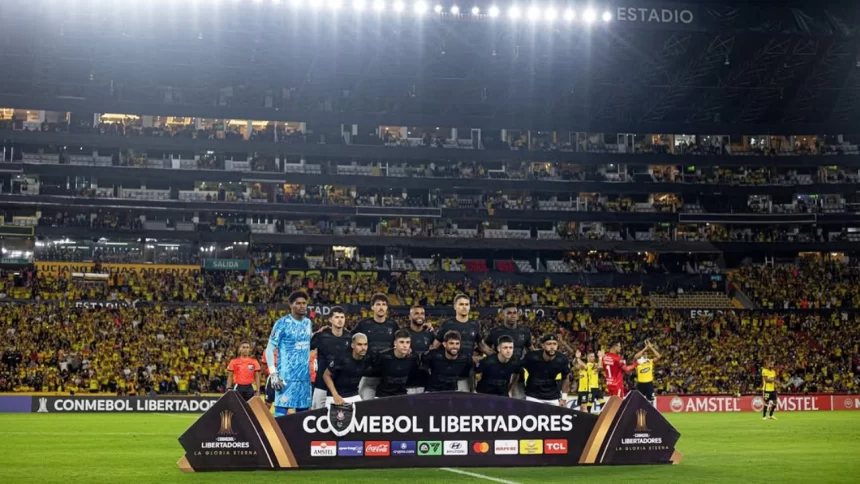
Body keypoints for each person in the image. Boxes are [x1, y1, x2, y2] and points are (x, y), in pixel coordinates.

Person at [265, 291, 313, 416]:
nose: (302, 306)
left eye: (304, 303)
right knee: (281, 415)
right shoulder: (282, 323)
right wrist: (273, 373)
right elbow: (270, 349)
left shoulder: (308, 323)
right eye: (298, 303)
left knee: (303, 416)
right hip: (286, 378)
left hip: (304, 378)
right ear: (291, 305)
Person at [431, 294, 490, 392]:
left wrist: (496, 355)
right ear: (455, 306)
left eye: (467, 304)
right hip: (448, 374)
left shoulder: (475, 324)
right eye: (461, 304)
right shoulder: (447, 324)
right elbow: (435, 347)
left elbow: (482, 345)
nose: (464, 307)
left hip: (467, 374)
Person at [354, 294, 399, 400]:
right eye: (378, 304)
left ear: (387, 307)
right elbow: (350, 339)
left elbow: (403, 340)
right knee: (366, 408)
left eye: (384, 304)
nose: (381, 307)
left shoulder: (393, 325)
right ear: (372, 307)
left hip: (387, 376)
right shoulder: (363, 324)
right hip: (368, 375)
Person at [484, 303, 532, 398]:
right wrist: (494, 356)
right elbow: (484, 346)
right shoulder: (495, 332)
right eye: (509, 313)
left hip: (518, 377)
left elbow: (531, 350)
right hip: (498, 377)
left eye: (515, 312)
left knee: (518, 407)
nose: (513, 315)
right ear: (503, 315)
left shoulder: (525, 331)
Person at [310, 306, 351, 410]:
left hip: (341, 387)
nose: (340, 320)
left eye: (342, 317)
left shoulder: (349, 337)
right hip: (321, 385)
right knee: (317, 415)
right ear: (330, 320)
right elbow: (306, 348)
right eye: (337, 317)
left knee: (339, 417)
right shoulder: (321, 336)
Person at [518, 334, 571, 406]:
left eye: (554, 344)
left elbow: (566, 378)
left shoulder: (562, 359)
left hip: (553, 397)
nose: (552, 347)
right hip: (533, 397)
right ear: (543, 345)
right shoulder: (531, 357)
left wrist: (564, 399)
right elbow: (517, 368)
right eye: (549, 344)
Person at [322, 333, 370, 406]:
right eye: (359, 344)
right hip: (335, 395)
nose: (363, 347)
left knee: (363, 413)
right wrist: (335, 395)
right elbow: (326, 375)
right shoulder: (342, 358)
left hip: (353, 394)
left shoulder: (367, 359)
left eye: (365, 344)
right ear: (352, 345)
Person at [373, 329, 420, 398]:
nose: (405, 345)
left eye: (408, 342)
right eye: (401, 342)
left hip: (402, 395)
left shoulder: (413, 357)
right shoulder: (383, 357)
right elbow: (375, 376)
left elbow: (413, 375)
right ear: (395, 343)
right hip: (383, 395)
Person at [406, 306, 434, 394]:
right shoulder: (403, 333)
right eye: (416, 313)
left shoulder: (430, 334)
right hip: (407, 380)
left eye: (422, 314)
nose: (420, 316)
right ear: (409, 317)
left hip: (425, 379)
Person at [635, 341, 661, 407]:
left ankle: (651, 414)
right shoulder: (638, 362)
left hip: (649, 384)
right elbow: (635, 357)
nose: (645, 355)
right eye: (644, 354)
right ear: (642, 355)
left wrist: (651, 348)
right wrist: (645, 348)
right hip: (640, 384)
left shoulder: (650, 361)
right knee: (637, 401)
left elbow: (659, 356)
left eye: (646, 354)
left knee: (651, 400)